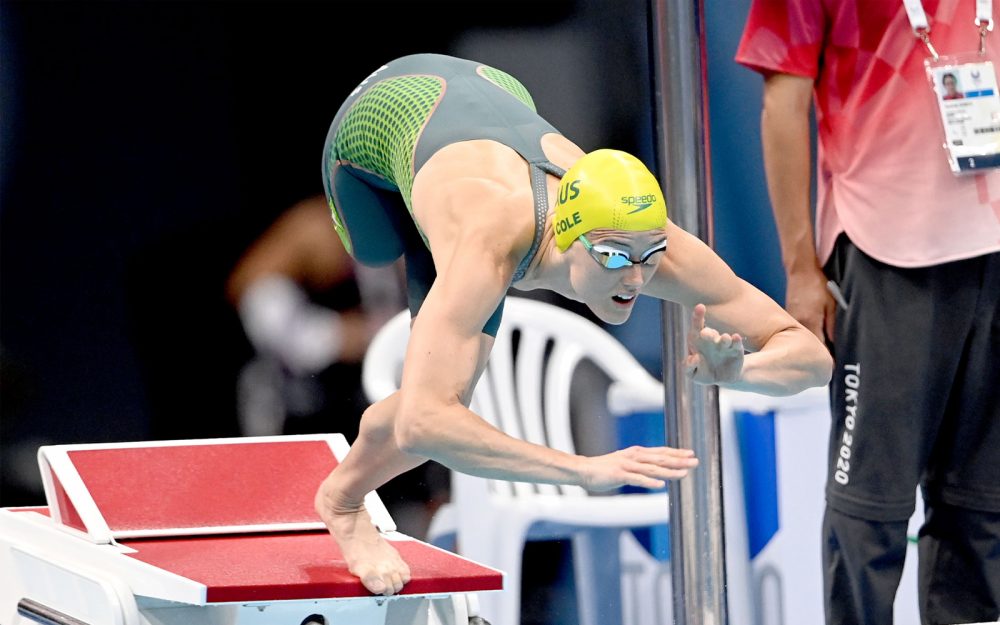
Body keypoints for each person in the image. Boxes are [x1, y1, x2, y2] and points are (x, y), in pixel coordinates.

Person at [314, 53, 832, 597]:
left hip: (495, 89)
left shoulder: (652, 243)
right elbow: (424, 424)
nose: (634, 278)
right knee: (434, 386)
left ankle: (350, 486)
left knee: (437, 396)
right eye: (611, 257)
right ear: (565, 235)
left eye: (649, 256)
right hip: (380, 117)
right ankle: (344, 501)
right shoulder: (491, 243)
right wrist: (580, 470)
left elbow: (814, 360)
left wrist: (741, 370)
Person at [736, 3, 1000, 624]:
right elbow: (783, 107)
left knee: (984, 504)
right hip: (886, 249)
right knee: (871, 509)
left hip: (992, 245)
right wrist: (802, 268)